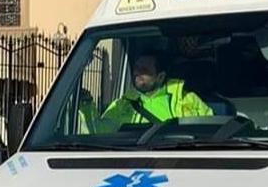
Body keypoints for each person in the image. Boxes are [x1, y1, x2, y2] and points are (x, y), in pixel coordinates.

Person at [79, 51, 212, 133]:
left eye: (144, 69)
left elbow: (211, 134)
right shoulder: (123, 104)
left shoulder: (187, 99)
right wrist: (86, 106)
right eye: (136, 68)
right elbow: (98, 132)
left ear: (160, 77)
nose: (137, 72)